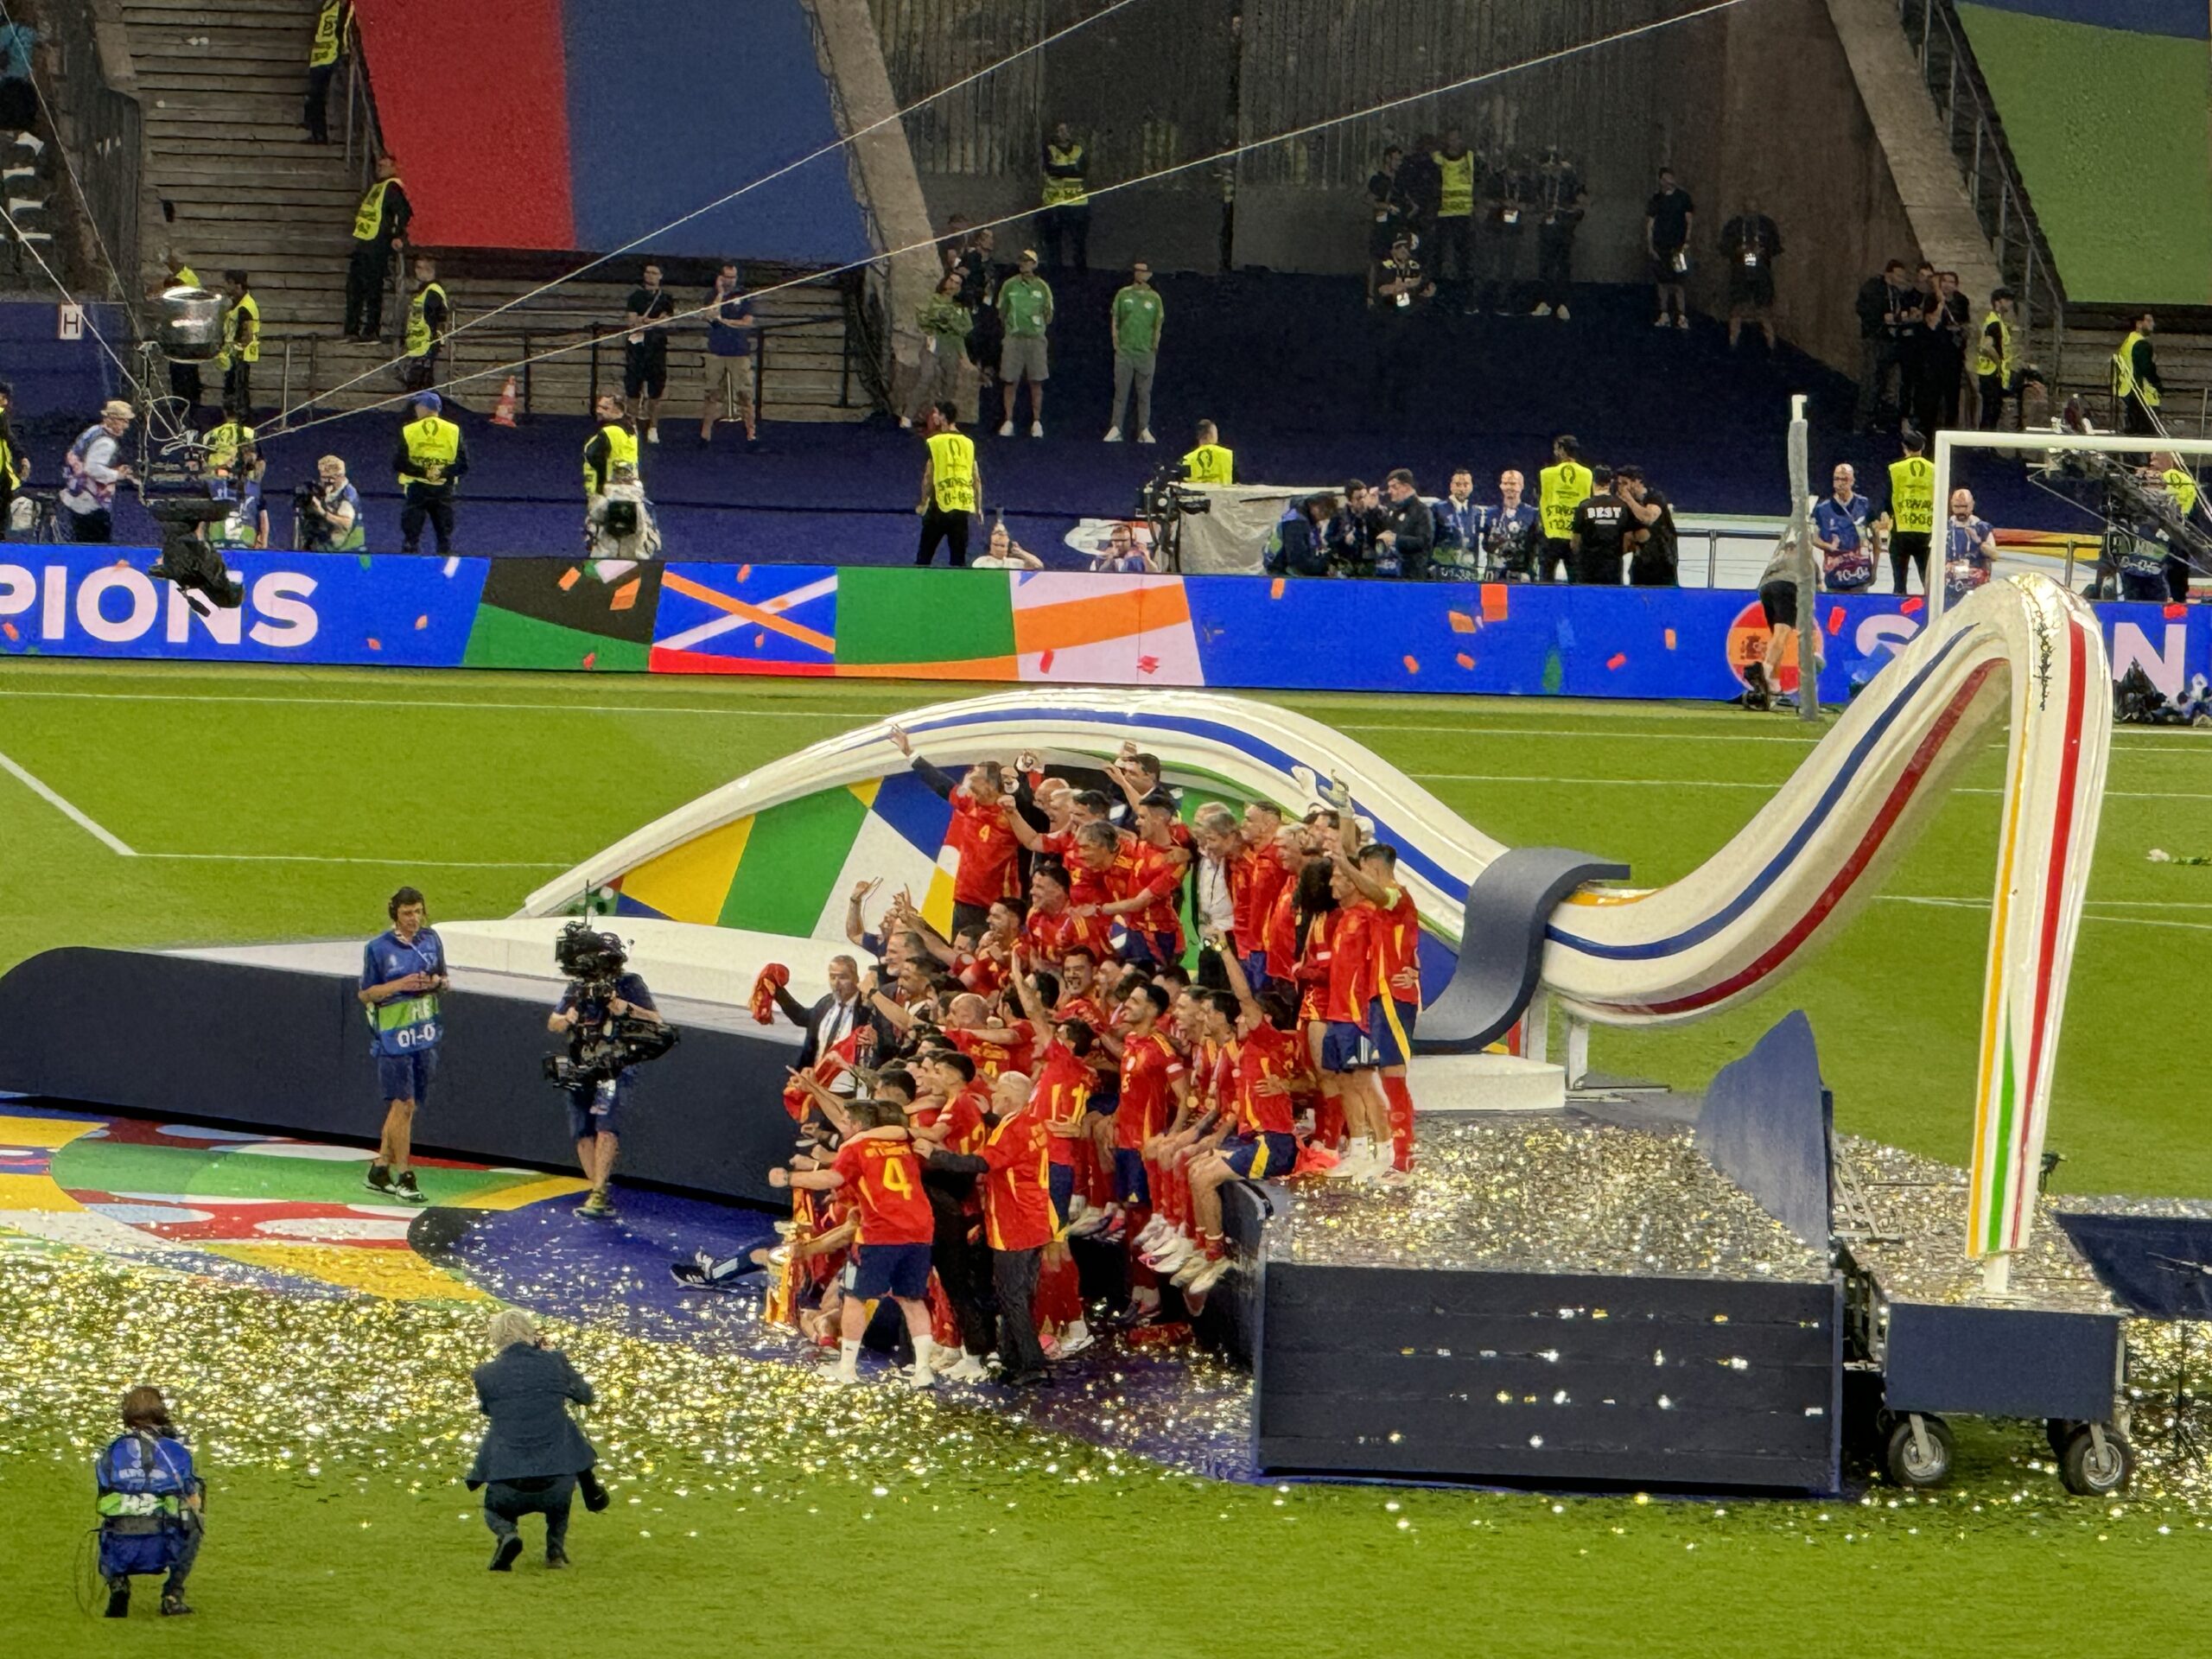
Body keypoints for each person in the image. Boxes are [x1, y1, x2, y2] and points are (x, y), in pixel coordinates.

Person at [770, 1096, 940, 1387]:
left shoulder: (855, 1147)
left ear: (859, 1124)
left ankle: (847, 1368)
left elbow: (832, 1178)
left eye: (846, 1121)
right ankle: (923, 1371)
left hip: (880, 1233)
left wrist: (790, 1178)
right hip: (920, 1230)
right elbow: (904, 1132)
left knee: (855, 1299)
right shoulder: (901, 1142)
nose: (842, 1126)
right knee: (912, 1300)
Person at [919, 1068, 1056, 1386]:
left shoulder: (1014, 1130)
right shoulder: (1031, 1121)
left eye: (998, 1094)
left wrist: (935, 1155)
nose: (993, 1096)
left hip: (1015, 1224)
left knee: (1013, 1297)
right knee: (1017, 1295)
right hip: (1033, 1220)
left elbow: (981, 1163)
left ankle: (1032, 1366)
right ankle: (1011, 1359)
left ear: (1009, 1099)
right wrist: (988, 1117)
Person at [465, 1309, 605, 1571]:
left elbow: (488, 1410)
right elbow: (585, 1396)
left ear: (496, 1337)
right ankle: (555, 1551)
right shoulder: (554, 1362)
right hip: (556, 1481)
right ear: (530, 1332)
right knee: (563, 1429)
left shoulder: (485, 1374)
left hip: (507, 1480)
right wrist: (553, 1361)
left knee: (494, 1510)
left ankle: (507, 1533)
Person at [547, 938, 662, 1220]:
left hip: (615, 1066)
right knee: (582, 1130)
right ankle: (596, 1188)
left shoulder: (629, 983)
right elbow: (553, 1022)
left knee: (606, 1126)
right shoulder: (577, 987)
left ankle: (599, 1191)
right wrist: (568, 1018)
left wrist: (624, 1008)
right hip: (581, 1063)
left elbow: (656, 1020)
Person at [887, 724, 1021, 936]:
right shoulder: (969, 804)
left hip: (996, 907)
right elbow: (941, 784)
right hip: (964, 900)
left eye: (974, 775)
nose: (969, 778)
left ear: (989, 784)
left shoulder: (1011, 816)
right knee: (960, 951)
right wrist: (910, 753)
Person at [356, 886, 445, 1203]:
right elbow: (366, 994)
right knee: (403, 1104)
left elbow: (443, 978)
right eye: (408, 913)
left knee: (407, 1106)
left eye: (418, 912)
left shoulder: (431, 940)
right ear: (395, 913)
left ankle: (380, 1168)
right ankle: (405, 1174)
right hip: (393, 1037)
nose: (414, 919)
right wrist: (400, 985)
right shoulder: (378, 948)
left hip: (423, 1033)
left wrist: (437, 983)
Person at [95, 1387, 203, 1618]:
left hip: (121, 1542)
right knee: (195, 1523)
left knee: (105, 1527)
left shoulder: (113, 1450)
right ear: (161, 1412)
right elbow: (190, 1493)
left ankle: (118, 1583)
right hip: (165, 1541)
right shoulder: (176, 1450)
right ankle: (172, 1596)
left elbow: (104, 1488)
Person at [343, 155, 409, 340]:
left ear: (394, 168)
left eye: (383, 166)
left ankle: (370, 329)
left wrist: (397, 235)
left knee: (372, 289)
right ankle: (353, 329)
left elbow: (403, 212)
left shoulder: (393, 187)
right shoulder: (377, 187)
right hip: (364, 244)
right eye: (378, 165)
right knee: (355, 288)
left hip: (377, 245)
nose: (379, 169)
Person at [1371, 232, 1434, 425]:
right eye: (1400, 249)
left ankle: (1402, 403)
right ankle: (1381, 403)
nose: (1404, 253)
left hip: (1410, 318)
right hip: (1389, 319)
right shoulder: (1385, 266)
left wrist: (1412, 287)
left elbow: (1424, 284)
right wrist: (1400, 287)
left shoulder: (1414, 266)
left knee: (1407, 362)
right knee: (1386, 361)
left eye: (1406, 249)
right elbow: (1383, 289)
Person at [394, 391, 465, 554]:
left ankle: (410, 552)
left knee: (412, 526)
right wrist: (442, 472)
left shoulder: (409, 430)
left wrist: (424, 472)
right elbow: (462, 464)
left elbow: (399, 463)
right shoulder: (453, 430)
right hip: (444, 486)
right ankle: (444, 554)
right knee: (444, 528)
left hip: (417, 485)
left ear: (423, 408)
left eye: (418, 406)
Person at [903, 270, 973, 430]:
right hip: (933, 341)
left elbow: (965, 328)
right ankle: (908, 415)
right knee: (927, 376)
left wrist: (950, 323)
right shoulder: (932, 300)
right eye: (951, 281)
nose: (953, 285)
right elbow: (925, 320)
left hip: (951, 345)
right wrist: (942, 321)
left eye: (957, 283)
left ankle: (944, 418)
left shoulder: (960, 307)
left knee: (950, 381)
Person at [914, 401, 980, 567]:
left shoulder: (935, 442)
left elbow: (928, 476)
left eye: (936, 413)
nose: (934, 416)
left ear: (943, 417)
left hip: (940, 505)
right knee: (958, 562)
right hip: (962, 506)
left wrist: (923, 502)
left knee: (923, 559)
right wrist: (978, 507)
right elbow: (976, 477)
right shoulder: (968, 442)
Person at [59, 400, 134, 543]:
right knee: (96, 544)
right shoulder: (106, 443)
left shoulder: (93, 431)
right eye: (123, 421)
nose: (126, 426)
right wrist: (118, 475)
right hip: (89, 502)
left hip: (76, 495)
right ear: (111, 419)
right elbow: (92, 468)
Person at [1103, 260, 1162, 443]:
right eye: (1137, 270)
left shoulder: (1154, 298)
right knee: (1121, 392)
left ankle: (1143, 429)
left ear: (1149, 275)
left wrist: (1153, 347)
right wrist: (1116, 342)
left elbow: (1157, 324)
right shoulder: (1123, 294)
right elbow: (1116, 319)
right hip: (1125, 352)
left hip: (1145, 353)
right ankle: (1116, 428)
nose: (1140, 274)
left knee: (1144, 393)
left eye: (1144, 271)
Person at [995, 248, 1052, 438]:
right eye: (1021, 260)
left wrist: (1035, 327)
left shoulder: (1043, 287)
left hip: (1035, 340)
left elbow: (1048, 314)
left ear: (1035, 264)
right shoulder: (1009, 285)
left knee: (1036, 381)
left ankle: (1036, 421)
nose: (1024, 264)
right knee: (1010, 380)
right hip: (1014, 339)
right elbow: (1002, 311)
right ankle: (1008, 421)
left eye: (1028, 261)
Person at [701, 261, 757, 448]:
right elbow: (710, 316)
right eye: (727, 277)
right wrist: (720, 293)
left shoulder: (744, 295)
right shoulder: (712, 295)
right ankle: (705, 434)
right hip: (716, 351)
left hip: (739, 351)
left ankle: (751, 433)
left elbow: (747, 322)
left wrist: (724, 321)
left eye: (733, 277)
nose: (730, 281)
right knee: (712, 393)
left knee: (745, 394)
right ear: (721, 277)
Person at [1854, 261, 1912, 432]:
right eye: (1898, 275)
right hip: (1875, 338)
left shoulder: (1897, 292)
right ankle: (1862, 422)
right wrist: (1881, 317)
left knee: (1885, 382)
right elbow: (1864, 309)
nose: (1901, 279)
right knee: (1871, 379)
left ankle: (1878, 420)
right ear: (1888, 274)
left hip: (1891, 339)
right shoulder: (1873, 288)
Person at [622, 264, 677, 445]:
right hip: (636, 349)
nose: (650, 276)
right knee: (633, 388)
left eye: (654, 273)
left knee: (655, 390)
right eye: (648, 272)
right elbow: (632, 321)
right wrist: (654, 321)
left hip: (657, 348)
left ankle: (653, 427)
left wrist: (645, 321)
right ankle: (632, 425)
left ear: (660, 276)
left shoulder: (666, 298)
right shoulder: (635, 297)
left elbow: (667, 322)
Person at [1529, 147, 1586, 319]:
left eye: (1553, 165)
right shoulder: (1541, 180)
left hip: (1564, 228)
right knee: (1545, 266)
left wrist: (1571, 211)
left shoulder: (1570, 180)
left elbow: (1581, 201)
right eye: (1546, 166)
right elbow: (1534, 200)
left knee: (1563, 265)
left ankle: (1563, 304)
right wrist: (1540, 211)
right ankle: (1544, 302)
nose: (1550, 169)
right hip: (1546, 227)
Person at [1718, 200, 1781, 349]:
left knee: (1763, 310)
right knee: (1737, 307)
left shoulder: (1767, 225)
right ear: (1743, 210)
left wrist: (1763, 250)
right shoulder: (1734, 225)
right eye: (1748, 211)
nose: (1751, 214)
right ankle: (1733, 341)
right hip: (1740, 272)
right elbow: (1724, 247)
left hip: (1761, 272)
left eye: (1754, 210)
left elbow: (1776, 247)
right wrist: (1738, 250)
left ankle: (1771, 344)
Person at [150, 249, 204, 414]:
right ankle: (184, 403)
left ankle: (188, 405)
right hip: (180, 334)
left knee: (184, 372)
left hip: (186, 335)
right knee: (180, 371)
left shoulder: (186, 279)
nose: (168, 266)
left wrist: (162, 289)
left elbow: (158, 291)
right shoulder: (179, 277)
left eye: (169, 262)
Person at [1475, 148, 1528, 315]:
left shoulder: (1525, 182)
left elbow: (1534, 204)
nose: (1514, 175)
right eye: (1512, 171)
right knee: (1485, 266)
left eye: (1517, 171)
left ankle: (1503, 301)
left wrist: (1521, 206)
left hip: (1513, 230)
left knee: (1507, 268)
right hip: (1494, 228)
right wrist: (1501, 203)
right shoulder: (1496, 179)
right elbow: (1485, 200)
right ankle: (1477, 300)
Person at [1428, 128, 1477, 302]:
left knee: (1464, 256)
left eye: (1457, 139)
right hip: (1443, 213)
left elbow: (1477, 180)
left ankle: (1465, 294)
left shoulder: (1470, 157)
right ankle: (1436, 292)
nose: (1454, 143)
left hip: (1464, 214)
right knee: (1439, 255)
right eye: (1451, 139)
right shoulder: (1438, 158)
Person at [1885, 430, 1935, 594]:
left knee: (1899, 584)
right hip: (1926, 533)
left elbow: (1888, 499)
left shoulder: (1894, 469)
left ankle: (1899, 609)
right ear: (1923, 447)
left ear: (1904, 447)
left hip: (1901, 531)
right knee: (1929, 583)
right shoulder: (1935, 470)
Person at [1812, 462, 1874, 593]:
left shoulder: (1864, 504)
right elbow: (1812, 537)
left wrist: (1875, 568)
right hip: (1835, 577)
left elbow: (1877, 537)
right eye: (1836, 479)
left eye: (1844, 479)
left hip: (1860, 575)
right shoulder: (1822, 509)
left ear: (1852, 481)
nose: (1840, 483)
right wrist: (1828, 546)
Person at [1536, 433, 1590, 582]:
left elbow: (1540, 499)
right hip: (1576, 536)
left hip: (1551, 535)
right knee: (1576, 581)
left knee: (1545, 582)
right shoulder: (1588, 474)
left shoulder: (1546, 474)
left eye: (1556, 449)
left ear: (1561, 450)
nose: (1555, 452)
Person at [1038, 121, 1090, 274]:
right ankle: (1055, 273)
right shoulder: (1049, 149)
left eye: (1066, 130)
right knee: (1053, 244)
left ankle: (1080, 274)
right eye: (1060, 130)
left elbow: (1083, 172)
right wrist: (1071, 169)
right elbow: (1051, 170)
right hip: (1054, 202)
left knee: (1079, 243)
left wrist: (1062, 170)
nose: (1063, 133)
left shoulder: (1079, 150)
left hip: (1078, 203)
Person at [1645, 168, 1694, 329]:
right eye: (1664, 179)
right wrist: (1650, 245)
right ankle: (1664, 314)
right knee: (1662, 282)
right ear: (1660, 181)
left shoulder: (1683, 198)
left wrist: (1687, 241)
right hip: (1661, 247)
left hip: (1678, 248)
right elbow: (1650, 224)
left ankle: (1682, 316)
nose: (1668, 181)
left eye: (1670, 178)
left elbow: (1689, 220)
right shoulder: (1656, 199)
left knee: (1679, 282)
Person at [1568, 465, 1634, 585]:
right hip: (1613, 566)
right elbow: (1628, 539)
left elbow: (1575, 541)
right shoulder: (1622, 506)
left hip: (1588, 567)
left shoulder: (1584, 506)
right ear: (1611, 482)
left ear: (1593, 482)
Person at [1364, 146, 1414, 299]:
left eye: (1400, 160)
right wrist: (1387, 207)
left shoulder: (1400, 180)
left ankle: (1397, 293)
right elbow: (1369, 200)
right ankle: (1371, 295)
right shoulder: (1378, 180)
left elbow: (1408, 200)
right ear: (1387, 159)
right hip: (1382, 227)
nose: (1399, 163)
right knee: (1377, 260)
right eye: (1396, 160)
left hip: (1398, 227)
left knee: (1400, 260)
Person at [1616, 465, 1677, 587]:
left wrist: (1629, 500)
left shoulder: (1655, 497)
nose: (1622, 488)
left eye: (1625, 483)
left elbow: (1648, 518)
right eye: (1619, 484)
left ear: (1637, 482)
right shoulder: (1625, 505)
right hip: (1640, 562)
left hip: (1663, 561)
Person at [302, 0, 353, 144]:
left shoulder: (335, 7)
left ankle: (322, 133)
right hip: (323, 57)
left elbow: (341, 29)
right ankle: (317, 130)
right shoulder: (331, 5)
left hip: (328, 57)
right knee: (316, 97)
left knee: (322, 97)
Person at [207, 439, 269, 551]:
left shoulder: (254, 488)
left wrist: (263, 541)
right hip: (218, 542)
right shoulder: (214, 484)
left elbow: (263, 517)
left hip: (246, 544)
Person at [213, 270, 258, 418]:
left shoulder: (245, 307)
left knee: (237, 389)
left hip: (240, 355)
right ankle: (234, 417)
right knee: (232, 387)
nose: (225, 286)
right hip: (232, 354)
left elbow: (248, 334)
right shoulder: (236, 303)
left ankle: (239, 419)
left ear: (237, 285)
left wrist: (234, 349)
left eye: (228, 283)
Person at [1376, 467, 1434, 581]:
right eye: (1389, 487)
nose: (1389, 491)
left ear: (1406, 487)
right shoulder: (1394, 510)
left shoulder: (1422, 511)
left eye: (1394, 487)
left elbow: (1424, 541)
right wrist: (1371, 510)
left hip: (1413, 577)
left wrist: (1396, 540)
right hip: (1392, 575)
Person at [1976, 288, 2022, 431]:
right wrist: (1998, 363)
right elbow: (1986, 347)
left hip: (1992, 372)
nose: (2010, 303)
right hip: (1991, 372)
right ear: (1997, 302)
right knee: (1990, 412)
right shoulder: (1994, 323)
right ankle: (1985, 441)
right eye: (2006, 300)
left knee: (1994, 410)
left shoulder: (1998, 321)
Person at [297, 454, 365, 551]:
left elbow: (346, 524)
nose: (324, 481)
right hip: (323, 544)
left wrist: (321, 512)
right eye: (323, 477)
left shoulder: (347, 495)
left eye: (328, 478)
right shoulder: (328, 489)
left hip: (344, 548)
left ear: (339, 476)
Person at [1484, 468, 1541, 581]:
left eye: (1513, 483)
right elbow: (1485, 546)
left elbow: (1537, 545)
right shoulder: (1490, 513)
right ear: (1501, 486)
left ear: (1521, 486)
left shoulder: (1532, 513)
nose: (1509, 487)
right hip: (1496, 575)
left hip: (1523, 575)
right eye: (1505, 483)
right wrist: (1494, 543)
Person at [401, 256, 448, 392]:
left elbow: (435, 316)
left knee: (420, 380)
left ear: (430, 270)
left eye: (420, 268)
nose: (417, 272)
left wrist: (434, 336)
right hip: (417, 342)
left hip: (426, 342)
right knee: (416, 378)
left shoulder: (433, 291)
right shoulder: (423, 290)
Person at [1943, 486, 1997, 603]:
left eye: (1964, 507)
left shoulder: (1982, 527)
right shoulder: (1945, 527)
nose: (1960, 511)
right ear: (1951, 506)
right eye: (1957, 507)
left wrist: (1978, 542)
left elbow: (1994, 555)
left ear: (1972, 506)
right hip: (1949, 582)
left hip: (1974, 582)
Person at [582, 391, 638, 505]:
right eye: (598, 407)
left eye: (604, 408)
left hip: (607, 491)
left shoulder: (610, 431)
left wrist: (600, 485)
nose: (599, 411)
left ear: (618, 410)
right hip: (629, 488)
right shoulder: (630, 429)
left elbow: (592, 455)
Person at [2113, 312, 2162, 435]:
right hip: (2140, 396)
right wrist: (2158, 386)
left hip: (2128, 392)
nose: (2153, 324)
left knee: (2133, 432)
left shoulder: (2130, 341)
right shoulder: (2140, 344)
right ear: (2139, 324)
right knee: (2146, 434)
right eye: (2149, 321)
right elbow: (2147, 369)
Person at [1264, 492, 1335, 579]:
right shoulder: (1296, 522)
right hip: (1281, 572)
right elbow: (1300, 563)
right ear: (1312, 505)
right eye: (1323, 509)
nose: (1325, 515)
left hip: (1284, 569)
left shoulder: (1306, 518)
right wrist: (1324, 562)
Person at [1431, 467, 1483, 579]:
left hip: (1468, 569)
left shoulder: (1476, 512)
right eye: (1458, 484)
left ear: (1471, 487)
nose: (1462, 489)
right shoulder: (1438, 508)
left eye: (1466, 485)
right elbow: (1431, 539)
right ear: (1451, 486)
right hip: (1444, 567)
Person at [1090, 519, 1160, 574]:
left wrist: (1146, 559)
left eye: (1124, 540)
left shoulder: (1140, 557)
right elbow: (1097, 577)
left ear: (1131, 540)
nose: (1119, 544)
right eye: (1116, 540)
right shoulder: (1101, 558)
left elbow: (1155, 573)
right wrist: (1111, 559)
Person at [972, 518, 1044, 569]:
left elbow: (1038, 566)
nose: (1001, 536)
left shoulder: (1013, 563)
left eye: (1004, 533)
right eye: (997, 533)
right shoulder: (981, 562)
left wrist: (1021, 553)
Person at [1182, 419, 1233, 486]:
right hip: (1222, 492)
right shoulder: (1229, 454)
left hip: (1197, 492)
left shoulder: (1187, 458)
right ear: (1210, 435)